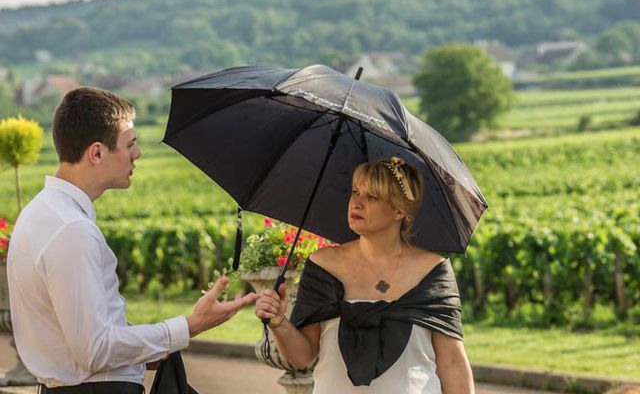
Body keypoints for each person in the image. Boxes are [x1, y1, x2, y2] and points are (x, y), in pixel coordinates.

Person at [7, 87, 259, 394]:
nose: (137, 153)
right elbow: (96, 350)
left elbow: (80, 339)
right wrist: (189, 325)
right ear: (97, 153)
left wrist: (146, 349)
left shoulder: (40, 213)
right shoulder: (72, 229)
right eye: (130, 144)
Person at [255, 156, 474, 393]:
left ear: (399, 210)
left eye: (372, 197)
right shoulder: (323, 264)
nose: (356, 203)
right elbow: (303, 357)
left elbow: (452, 361)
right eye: (355, 192)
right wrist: (279, 323)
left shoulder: (433, 271)